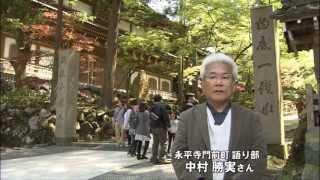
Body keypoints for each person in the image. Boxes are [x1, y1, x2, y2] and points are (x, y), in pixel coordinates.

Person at [172, 53, 267, 180]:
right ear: (202, 83)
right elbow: (179, 154)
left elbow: (259, 158)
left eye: (225, 77)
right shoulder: (187, 118)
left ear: (234, 85)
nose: (218, 82)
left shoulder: (251, 118)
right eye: (212, 77)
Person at [150, 95, 170, 164]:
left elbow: (150, 117)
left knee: (155, 143)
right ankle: (162, 158)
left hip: (153, 127)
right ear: (160, 100)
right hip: (161, 127)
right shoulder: (162, 106)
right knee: (163, 143)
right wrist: (168, 125)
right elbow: (165, 116)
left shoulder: (151, 107)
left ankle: (154, 158)